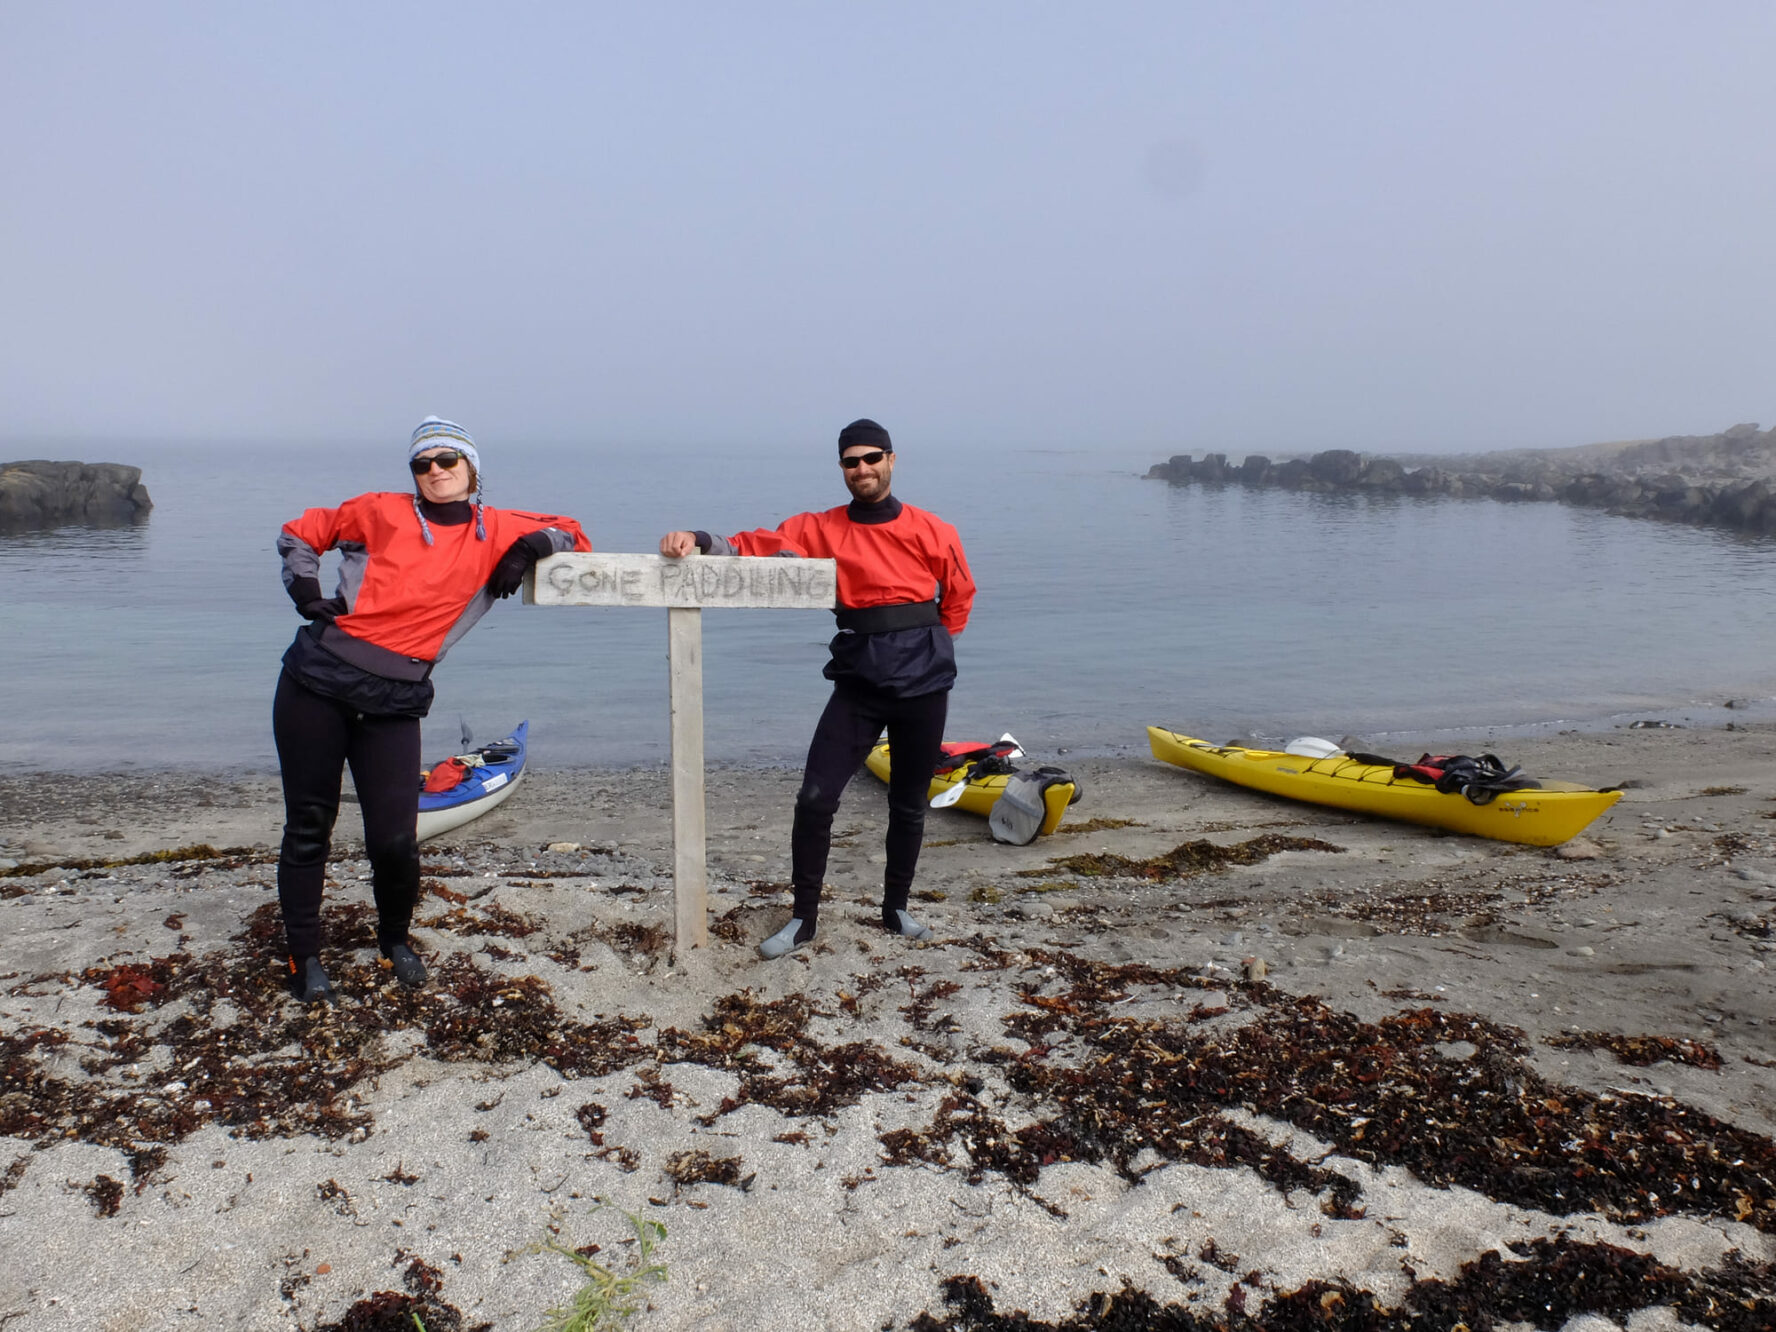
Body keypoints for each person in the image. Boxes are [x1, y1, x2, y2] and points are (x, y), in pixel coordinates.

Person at [274, 417, 589, 1003]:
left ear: (472, 468)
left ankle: (394, 939)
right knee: (309, 825)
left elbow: (573, 532)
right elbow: (299, 532)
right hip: (315, 683)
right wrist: (306, 592)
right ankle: (305, 954)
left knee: (394, 838)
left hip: (395, 699)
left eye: (448, 460)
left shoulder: (497, 527)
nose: (436, 471)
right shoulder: (377, 510)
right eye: (423, 463)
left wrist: (527, 548)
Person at [660, 418, 975, 958]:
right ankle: (804, 917)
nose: (863, 469)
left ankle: (896, 908)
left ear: (892, 460)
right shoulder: (820, 527)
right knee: (814, 798)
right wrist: (697, 538)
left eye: (872, 458)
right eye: (851, 461)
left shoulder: (933, 528)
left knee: (908, 804)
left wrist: (927, 644)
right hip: (859, 679)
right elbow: (753, 545)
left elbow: (960, 597)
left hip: (924, 680)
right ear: (842, 469)